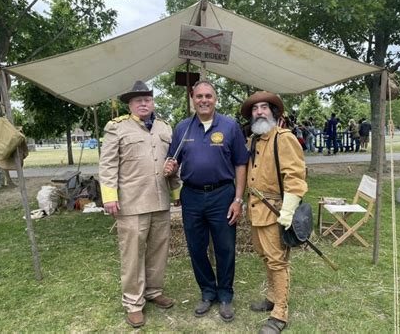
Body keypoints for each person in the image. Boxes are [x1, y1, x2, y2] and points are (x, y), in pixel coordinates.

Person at [163, 80, 248, 322]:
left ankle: (225, 295)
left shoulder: (230, 126)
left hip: (223, 195)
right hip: (192, 196)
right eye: (199, 96)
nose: (203, 100)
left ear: (215, 99)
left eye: (208, 96)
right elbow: (173, 159)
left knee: (225, 247)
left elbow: (241, 163)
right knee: (196, 248)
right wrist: (170, 166)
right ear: (192, 98)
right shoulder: (182, 128)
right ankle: (207, 291)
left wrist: (238, 199)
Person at [99, 80, 180, 328]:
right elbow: (108, 164)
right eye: (138, 100)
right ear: (130, 105)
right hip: (131, 202)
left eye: (147, 99)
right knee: (132, 254)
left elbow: (174, 161)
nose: (143, 103)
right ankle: (133, 303)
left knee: (158, 250)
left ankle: (153, 291)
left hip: (160, 200)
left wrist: (176, 193)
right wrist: (109, 196)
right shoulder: (117, 128)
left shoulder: (165, 128)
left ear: (153, 102)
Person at [240, 91, 308, 334]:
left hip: (275, 211)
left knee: (278, 262)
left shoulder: (284, 138)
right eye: (255, 109)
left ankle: (279, 313)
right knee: (266, 257)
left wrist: (287, 212)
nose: (259, 112)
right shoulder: (254, 140)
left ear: (274, 112)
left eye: (264, 108)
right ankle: (271, 297)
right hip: (256, 211)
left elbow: (296, 178)